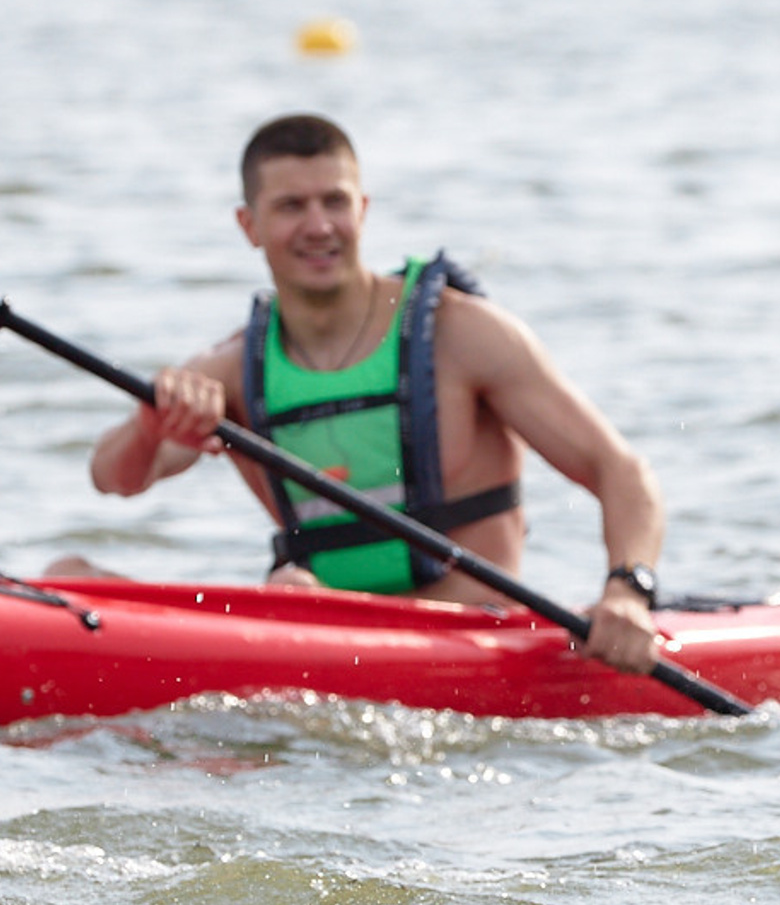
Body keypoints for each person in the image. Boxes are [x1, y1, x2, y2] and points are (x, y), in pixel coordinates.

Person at [82, 113, 667, 674]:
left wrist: (627, 591)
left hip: (471, 637)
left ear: (362, 209)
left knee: (293, 596)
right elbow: (113, 478)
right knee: (73, 572)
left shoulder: (464, 335)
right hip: (324, 638)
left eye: (335, 201)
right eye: (291, 206)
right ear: (249, 226)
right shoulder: (231, 370)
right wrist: (151, 426)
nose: (319, 226)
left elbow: (620, 471)